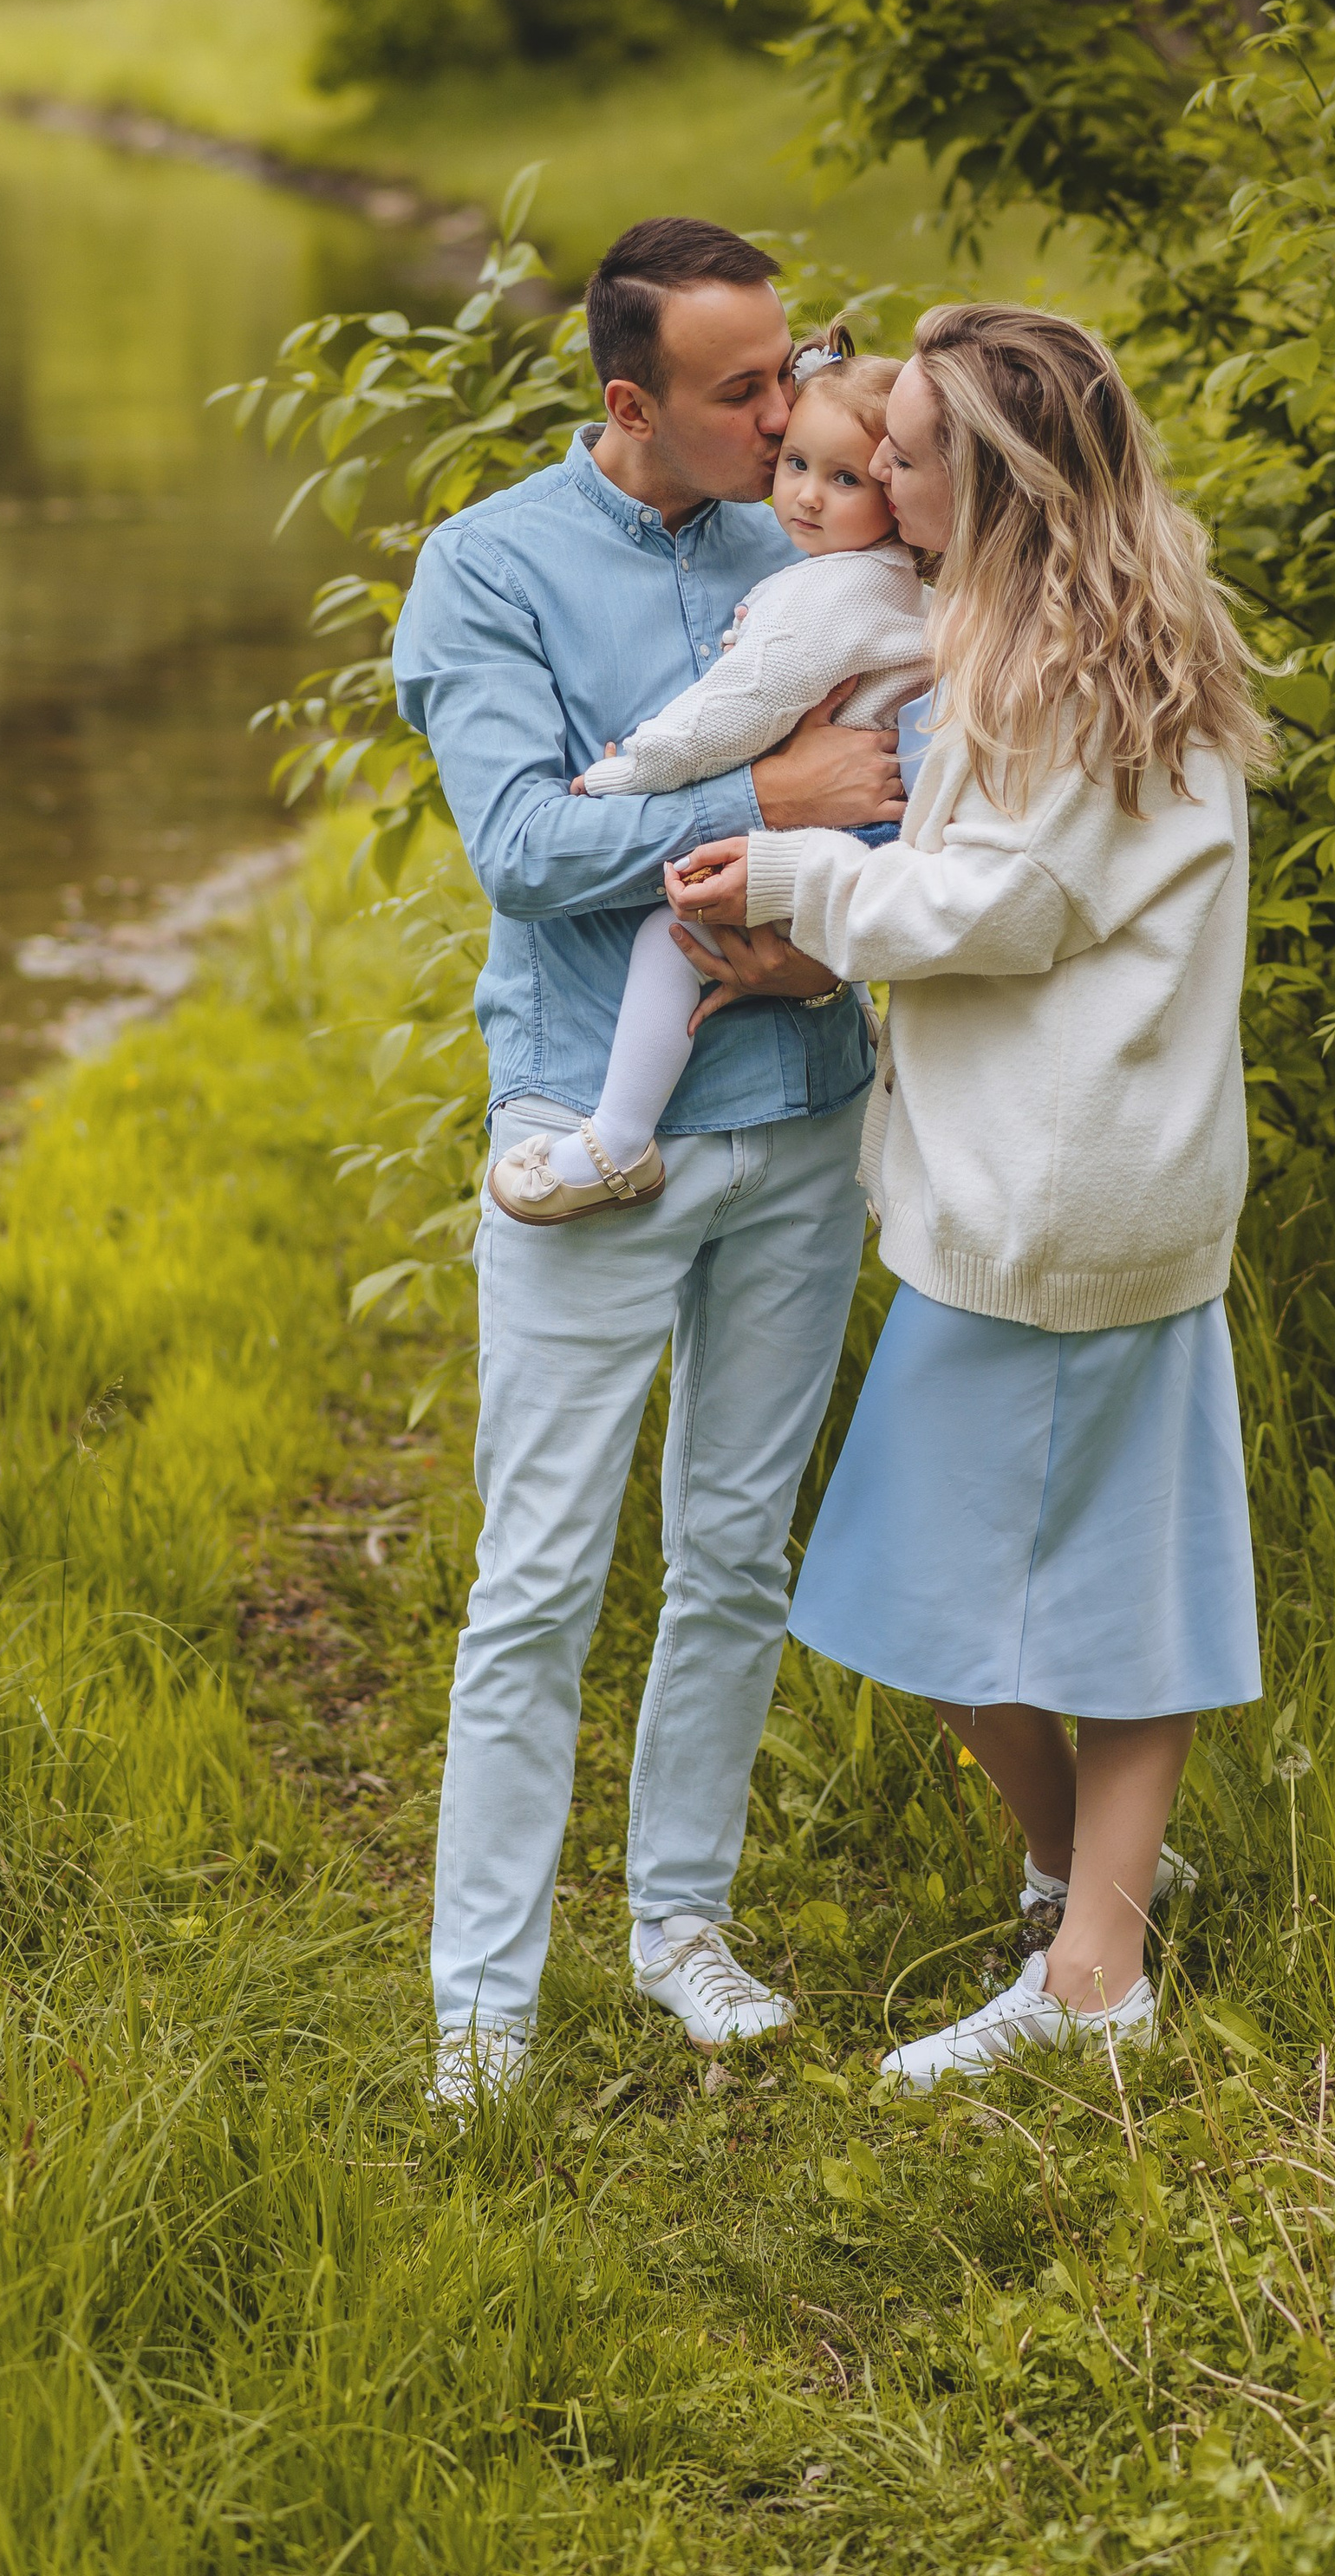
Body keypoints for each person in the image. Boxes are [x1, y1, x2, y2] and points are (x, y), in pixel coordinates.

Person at [666, 303, 1270, 2093]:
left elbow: (1000, 912)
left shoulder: (1062, 663)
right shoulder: (1065, 623)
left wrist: (789, 875)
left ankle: (1095, 1958)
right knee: (1071, 1570)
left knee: (923, 1584)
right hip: (1088, 1177)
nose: (870, 473)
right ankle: (1095, 1907)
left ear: (990, 477)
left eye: (908, 449)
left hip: (1058, 1196)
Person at [392, 217, 903, 2119]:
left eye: (791, 373)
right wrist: (765, 800)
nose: (790, 417)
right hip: (582, 1149)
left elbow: (920, 798)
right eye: (742, 393)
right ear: (630, 403)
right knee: (533, 1583)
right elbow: (526, 847)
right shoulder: (488, 568)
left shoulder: (828, 536)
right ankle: (480, 2008)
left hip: (793, 1122)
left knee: (732, 1556)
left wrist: (825, 919)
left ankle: (677, 1924)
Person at [486, 342, 932, 1225]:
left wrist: (627, 772)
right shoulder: (891, 581)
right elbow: (519, 857)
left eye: (844, 480)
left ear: (894, 487)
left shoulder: (828, 592)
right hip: (876, 836)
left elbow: (737, 710)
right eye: (796, 464)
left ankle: (616, 1137)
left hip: (843, 836)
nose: (804, 495)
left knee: (674, 926)